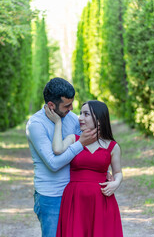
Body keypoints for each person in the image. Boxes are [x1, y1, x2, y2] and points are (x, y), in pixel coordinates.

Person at [26, 77, 98, 237]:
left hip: (76, 192)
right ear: (51, 105)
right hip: (51, 196)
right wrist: (80, 143)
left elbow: (89, 150)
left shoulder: (72, 119)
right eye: (67, 105)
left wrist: (102, 170)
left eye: (72, 103)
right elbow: (53, 163)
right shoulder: (36, 125)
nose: (71, 108)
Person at [45, 100, 123, 237]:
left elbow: (117, 172)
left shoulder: (112, 146)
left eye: (86, 114)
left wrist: (116, 183)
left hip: (101, 201)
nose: (80, 118)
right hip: (75, 200)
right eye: (81, 113)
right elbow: (57, 149)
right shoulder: (74, 139)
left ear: (99, 119)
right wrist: (58, 123)